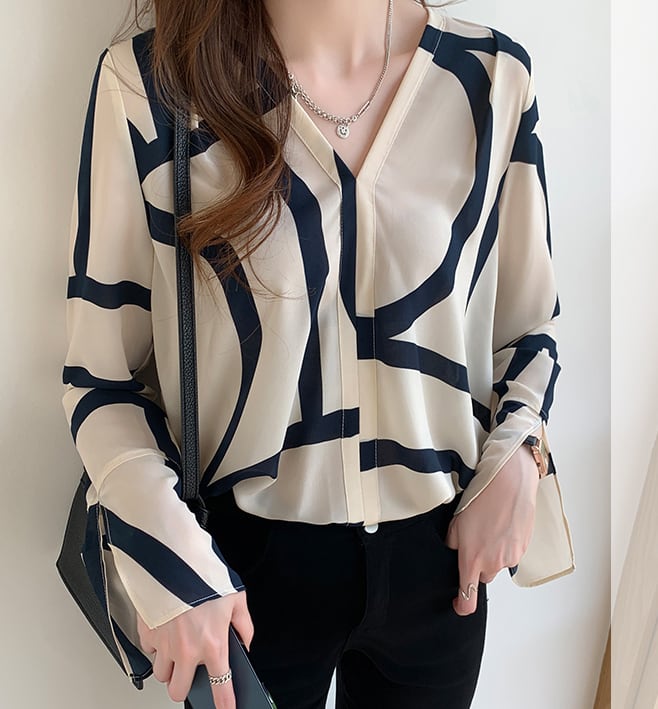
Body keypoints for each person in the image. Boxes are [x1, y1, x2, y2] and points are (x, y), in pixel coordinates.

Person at [62, 0, 561, 707]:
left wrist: (520, 454)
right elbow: (101, 378)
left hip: (441, 561)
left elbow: (528, 326)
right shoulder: (152, 89)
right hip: (242, 574)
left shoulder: (491, 78)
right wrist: (173, 560)